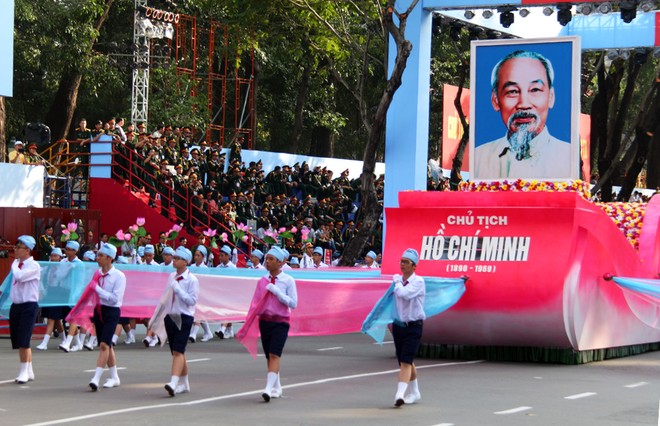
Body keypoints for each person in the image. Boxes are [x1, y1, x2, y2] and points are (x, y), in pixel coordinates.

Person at [474, 50, 571, 179]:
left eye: (535, 90)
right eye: (513, 91)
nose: (524, 104)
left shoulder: (568, 157)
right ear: (495, 100)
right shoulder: (478, 158)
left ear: (551, 97)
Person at [245, 246, 297, 402]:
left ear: (280, 263)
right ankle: (277, 386)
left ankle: (268, 389)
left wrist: (278, 293)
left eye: (271, 259)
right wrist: (251, 318)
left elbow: (293, 303)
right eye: (266, 259)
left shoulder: (288, 281)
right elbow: (255, 302)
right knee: (269, 356)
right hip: (265, 321)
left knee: (275, 353)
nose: (267, 262)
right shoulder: (263, 281)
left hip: (281, 321)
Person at [161, 247, 199, 396]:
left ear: (185, 261)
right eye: (174, 257)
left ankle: (173, 382)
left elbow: (192, 301)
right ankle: (185, 383)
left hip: (184, 317)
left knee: (178, 350)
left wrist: (178, 290)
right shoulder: (171, 276)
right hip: (171, 316)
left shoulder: (192, 280)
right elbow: (165, 297)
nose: (174, 260)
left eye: (177, 258)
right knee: (177, 352)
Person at [88, 243, 126, 391]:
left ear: (110, 258)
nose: (98, 258)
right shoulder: (97, 273)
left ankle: (96, 378)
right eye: (98, 255)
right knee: (107, 344)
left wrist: (96, 289)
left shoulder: (119, 276)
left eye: (101, 256)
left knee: (104, 344)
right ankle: (114, 376)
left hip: (112, 311)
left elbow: (115, 299)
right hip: (99, 310)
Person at [391, 248, 425, 407]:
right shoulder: (398, 281)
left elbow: (404, 294)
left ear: (414, 266)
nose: (402, 264)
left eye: (406, 262)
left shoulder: (418, 282)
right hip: (399, 326)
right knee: (406, 361)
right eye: (401, 261)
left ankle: (399, 395)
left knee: (405, 362)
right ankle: (415, 391)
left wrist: (397, 282)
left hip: (414, 326)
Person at [9, 235, 40, 384]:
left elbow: (20, 277)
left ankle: (23, 371)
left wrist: (14, 265)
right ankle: (29, 369)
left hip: (29, 305)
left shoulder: (33, 266)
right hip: (16, 305)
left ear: (27, 250)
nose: (15, 250)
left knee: (23, 340)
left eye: (18, 247)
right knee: (19, 339)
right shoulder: (18, 265)